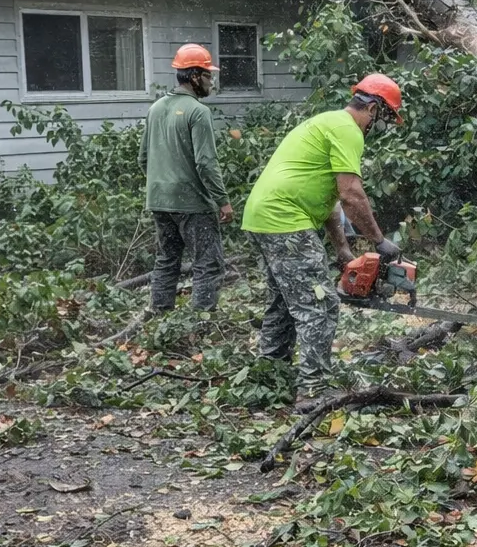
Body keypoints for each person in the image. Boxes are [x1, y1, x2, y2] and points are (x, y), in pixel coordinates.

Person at [242, 73, 403, 410]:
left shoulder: (326, 123)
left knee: (284, 302)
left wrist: (343, 250)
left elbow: (329, 200)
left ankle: (270, 377)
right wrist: (379, 241)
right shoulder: (348, 130)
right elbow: (351, 195)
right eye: (383, 117)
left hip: (261, 217)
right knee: (320, 306)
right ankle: (311, 392)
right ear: (373, 109)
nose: (379, 126)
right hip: (285, 220)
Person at [141, 43, 233, 314]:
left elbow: (143, 159)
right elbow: (206, 162)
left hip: (159, 199)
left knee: (167, 259)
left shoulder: (155, 108)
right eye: (207, 75)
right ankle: (201, 321)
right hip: (192, 203)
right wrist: (223, 201)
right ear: (194, 77)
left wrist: (162, 185)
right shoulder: (198, 111)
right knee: (208, 262)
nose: (211, 82)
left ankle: (160, 314)